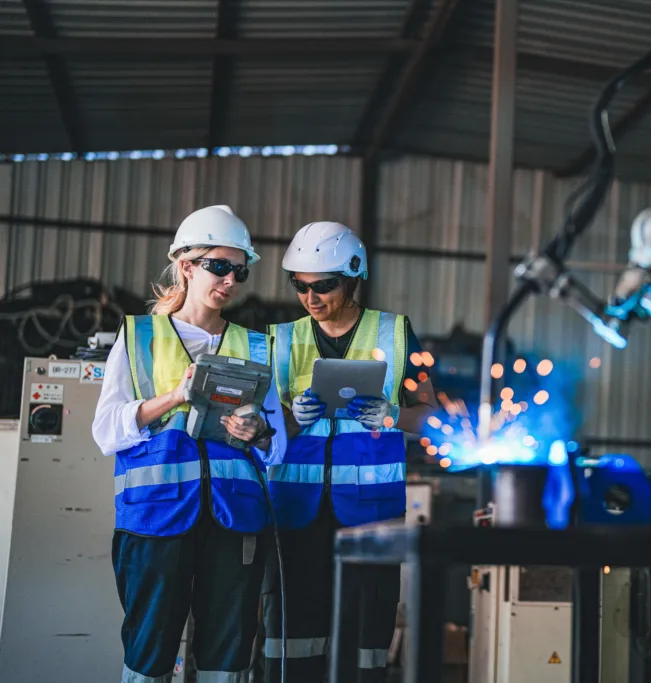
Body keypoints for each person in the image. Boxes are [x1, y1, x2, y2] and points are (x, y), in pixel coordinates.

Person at [92, 205, 288, 683]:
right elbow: (105, 431)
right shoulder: (139, 337)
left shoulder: (256, 345)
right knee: (149, 650)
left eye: (238, 270)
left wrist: (257, 433)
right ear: (186, 265)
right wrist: (174, 397)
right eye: (218, 266)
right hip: (156, 519)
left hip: (234, 520)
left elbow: (277, 445)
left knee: (229, 652)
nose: (230, 280)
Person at [262, 221, 438, 683]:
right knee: (291, 635)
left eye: (324, 285)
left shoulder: (395, 334)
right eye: (300, 286)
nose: (311, 297)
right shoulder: (280, 339)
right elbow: (257, 427)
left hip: (370, 516)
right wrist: (290, 416)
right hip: (294, 511)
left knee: (365, 636)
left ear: (355, 275)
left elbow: (435, 419)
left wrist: (392, 413)